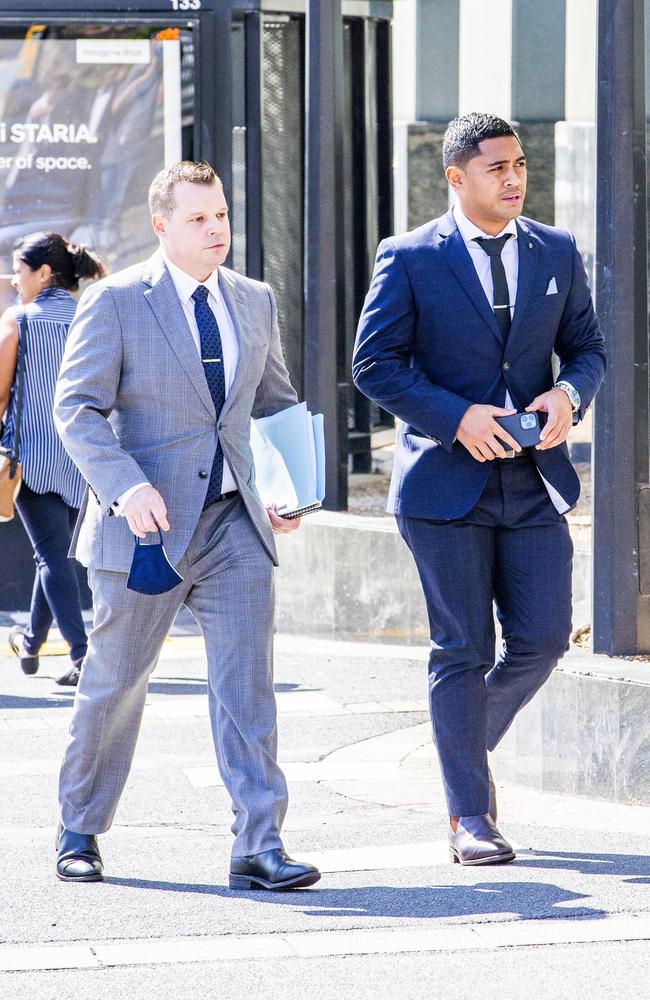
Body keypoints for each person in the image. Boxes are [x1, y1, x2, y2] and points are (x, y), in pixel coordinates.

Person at [52, 160, 321, 891]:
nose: (217, 230)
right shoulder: (115, 303)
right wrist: (126, 489)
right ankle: (79, 825)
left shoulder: (254, 301)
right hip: (145, 530)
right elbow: (75, 409)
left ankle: (259, 843)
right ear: (162, 225)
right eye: (199, 219)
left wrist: (292, 490)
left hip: (235, 524)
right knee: (115, 683)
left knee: (247, 688)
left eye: (222, 216)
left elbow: (274, 402)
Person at [353, 113, 606, 866]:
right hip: (443, 488)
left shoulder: (556, 250)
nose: (515, 177)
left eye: (520, 164)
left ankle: (459, 753)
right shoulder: (408, 257)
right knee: (461, 649)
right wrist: (456, 416)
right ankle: (471, 817)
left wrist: (567, 398)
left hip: (532, 482)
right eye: (497, 167)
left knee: (542, 639)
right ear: (456, 178)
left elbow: (587, 348)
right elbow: (375, 364)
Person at [0, 232, 105, 686]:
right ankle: (30, 641)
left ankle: (83, 655)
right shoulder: (90, 316)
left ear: (43, 273)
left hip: (31, 458)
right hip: (82, 454)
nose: (12, 281)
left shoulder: (19, 319)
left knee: (50, 556)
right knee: (57, 551)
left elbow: (0, 393)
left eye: (18, 272)